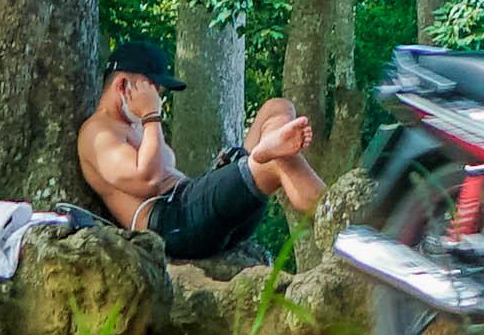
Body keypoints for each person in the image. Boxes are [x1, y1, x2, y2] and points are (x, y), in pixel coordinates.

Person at [74, 29, 323, 266]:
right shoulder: (98, 132)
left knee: (277, 107)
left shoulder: (134, 125)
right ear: (122, 86)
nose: (158, 97)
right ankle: (334, 215)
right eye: (153, 89)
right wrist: (151, 115)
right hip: (174, 223)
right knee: (277, 162)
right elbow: (146, 181)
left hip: (195, 204)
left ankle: (267, 147)